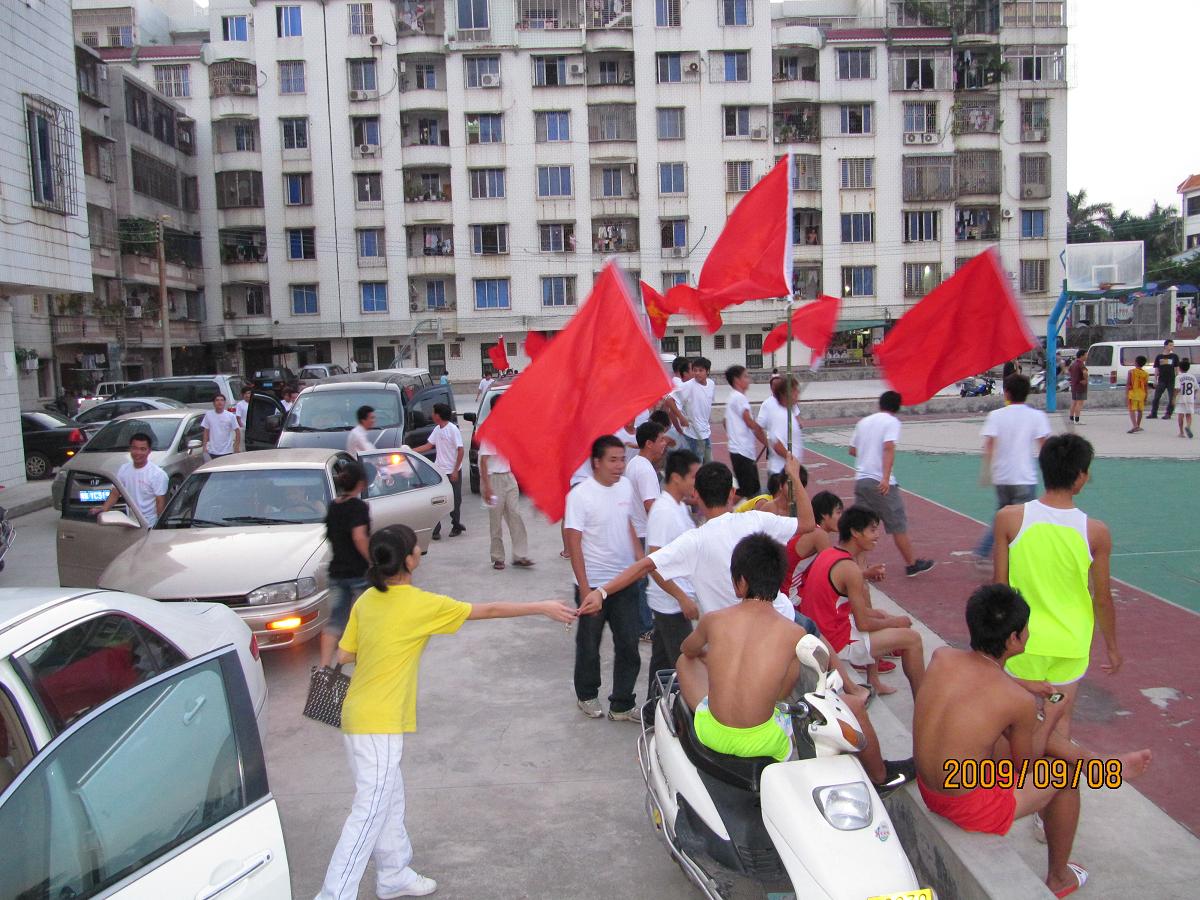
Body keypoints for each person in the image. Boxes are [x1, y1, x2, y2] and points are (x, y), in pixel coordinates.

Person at [588, 462, 910, 791]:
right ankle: (875, 767)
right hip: (783, 628)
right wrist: (794, 475)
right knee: (828, 685)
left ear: (697, 495)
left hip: (727, 652)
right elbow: (808, 523)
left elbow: (646, 565)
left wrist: (601, 592)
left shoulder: (696, 551)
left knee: (688, 659)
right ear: (731, 493)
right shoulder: (755, 523)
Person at [314, 525, 575, 900]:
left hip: (356, 714)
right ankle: (334, 894)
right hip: (379, 723)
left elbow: (345, 654)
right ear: (408, 561)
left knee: (389, 799)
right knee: (370, 809)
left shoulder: (367, 600)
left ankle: (393, 874)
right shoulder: (421, 604)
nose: (419, 552)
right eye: (416, 549)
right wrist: (541, 606)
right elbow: (489, 610)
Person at [914, 585, 1098, 898]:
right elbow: (1026, 769)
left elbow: (981, 677)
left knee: (999, 731)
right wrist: (1051, 715)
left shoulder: (942, 657)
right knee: (1064, 772)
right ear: (1014, 639)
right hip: (966, 806)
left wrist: (1023, 684)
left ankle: (1098, 761)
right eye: (1026, 629)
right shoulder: (1016, 700)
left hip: (929, 787)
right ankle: (1059, 877)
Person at [993, 434, 1119, 744]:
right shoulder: (1096, 532)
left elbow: (999, 586)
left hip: (1021, 639)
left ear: (1044, 469)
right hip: (1070, 642)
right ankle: (1056, 774)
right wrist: (1112, 647)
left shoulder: (1009, 519)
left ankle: (1015, 773)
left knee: (1013, 722)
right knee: (1060, 720)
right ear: (1081, 476)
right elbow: (1102, 598)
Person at [675, 534, 813, 762]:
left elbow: (687, 649)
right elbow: (782, 693)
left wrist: (710, 656)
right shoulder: (795, 633)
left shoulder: (714, 619)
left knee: (684, 661)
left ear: (741, 582)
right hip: (765, 743)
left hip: (713, 736)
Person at [799, 506, 925, 698]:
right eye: (872, 530)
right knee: (912, 639)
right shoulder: (850, 569)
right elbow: (863, 624)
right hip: (835, 642)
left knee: (881, 615)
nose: (877, 536)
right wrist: (896, 621)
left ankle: (874, 681)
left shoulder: (829, 553)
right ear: (855, 532)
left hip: (822, 631)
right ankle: (923, 701)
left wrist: (886, 618)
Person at [566, 435, 644, 722]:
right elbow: (573, 543)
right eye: (613, 460)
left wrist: (640, 560)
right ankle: (587, 695)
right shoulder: (580, 496)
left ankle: (621, 704)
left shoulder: (625, 486)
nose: (619, 465)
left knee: (628, 645)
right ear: (596, 462)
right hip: (593, 584)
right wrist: (586, 589)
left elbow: (627, 523)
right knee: (589, 645)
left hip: (624, 582)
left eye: (622, 459)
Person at [849, 391, 934, 577]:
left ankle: (858, 567)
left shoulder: (863, 422)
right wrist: (886, 478)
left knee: (860, 525)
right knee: (897, 524)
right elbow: (888, 448)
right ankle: (911, 564)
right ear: (897, 407)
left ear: (880, 404)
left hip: (861, 480)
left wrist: (868, 455)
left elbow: (852, 450)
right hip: (879, 481)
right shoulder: (891, 422)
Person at [974, 374, 1051, 564]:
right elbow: (1044, 446)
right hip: (1024, 476)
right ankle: (1022, 557)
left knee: (1002, 516)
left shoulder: (996, 415)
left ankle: (984, 551)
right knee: (1025, 519)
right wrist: (1050, 472)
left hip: (1002, 477)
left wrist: (986, 471)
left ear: (1006, 393)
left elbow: (989, 444)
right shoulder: (1036, 416)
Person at [644, 449, 702, 700]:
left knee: (662, 661)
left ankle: (652, 707)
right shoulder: (664, 511)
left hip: (673, 601)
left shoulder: (678, 506)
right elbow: (654, 563)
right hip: (670, 604)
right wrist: (682, 597)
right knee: (686, 665)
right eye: (693, 476)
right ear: (677, 477)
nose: (696, 482)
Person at [320, 461, 371, 669]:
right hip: (358, 572)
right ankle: (365, 661)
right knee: (366, 618)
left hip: (336, 572)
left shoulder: (333, 506)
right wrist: (372, 561)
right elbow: (359, 537)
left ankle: (324, 667)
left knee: (335, 621)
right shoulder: (359, 507)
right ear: (360, 483)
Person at [478, 395, 533, 570]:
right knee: (496, 520)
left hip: (509, 477)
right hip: (493, 479)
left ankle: (520, 555)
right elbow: (483, 461)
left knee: (515, 515)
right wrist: (487, 487)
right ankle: (498, 557)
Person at [627, 421, 670, 641]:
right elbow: (650, 504)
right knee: (644, 581)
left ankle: (641, 623)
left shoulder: (636, 463)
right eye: (661, 440)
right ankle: (645, 627)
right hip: (644, 532)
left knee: (641, 580)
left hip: (637, 530)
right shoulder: (644, 469)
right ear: (649, 443)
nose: (664, 444)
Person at [91, 431, 169, 526]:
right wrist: (104, 509)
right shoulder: (124, 469)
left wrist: (159, 526)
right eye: (134, 448)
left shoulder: (158, 474)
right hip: (130, 522)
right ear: (130, 449)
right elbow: (115, 493)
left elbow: (160, 502)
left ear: (149, 451)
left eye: (143, 449)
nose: (138, 453)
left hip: (149, 524)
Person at [413, 404, 464, 539]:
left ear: (438, 415)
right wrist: (410, 451)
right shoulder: (437, 429)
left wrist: (455, 470)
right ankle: (436, 530)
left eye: (433, 412)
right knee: (436, 500)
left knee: (455, 500)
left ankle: (456, 525)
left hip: (452, 471)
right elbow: (428, 445)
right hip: (439, 471)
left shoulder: (452, 429)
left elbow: (460, 450)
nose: (432, 415)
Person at [724, 365, 768, 498]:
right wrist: (767, 442)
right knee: (748, 491)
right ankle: (723, 507)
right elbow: (749, 422)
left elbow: (725, 422)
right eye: (745, 376)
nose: (748, 379)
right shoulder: (739, 398)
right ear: (736, 380)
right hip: (743, 452)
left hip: (739, 450)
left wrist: (734, 436)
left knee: (750, 489)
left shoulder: (732, 397)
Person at [756, 374, 803, 475]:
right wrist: (791, 459)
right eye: (794, 390)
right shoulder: (780, 415)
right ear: (785, 394)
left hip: (788, 469)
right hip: (782, 471)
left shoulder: (789, 411)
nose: (798, 393)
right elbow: (776, 443)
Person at [678, 357, 716, 463]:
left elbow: (707, 404)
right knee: (696, 466)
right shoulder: (688, 386)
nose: (697, 373)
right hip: (693, 435)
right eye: (695, 370)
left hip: (706, 433)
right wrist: (681, 418)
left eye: (700, 370)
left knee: (709, 464)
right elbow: (669, 399)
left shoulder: (711, 384)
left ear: (707, 371)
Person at [201, 393, 240, 459]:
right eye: (217, 400)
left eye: (222, 400)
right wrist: (204, 446)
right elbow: (206, 431)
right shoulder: (208, 415)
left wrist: (236, 446)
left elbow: (237, 431)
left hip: (227, 450)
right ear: (213, 403)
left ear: (224, 403)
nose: (220, 402)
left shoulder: (231, 416)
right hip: (212, 450)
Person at [1149, 339, 1180, 420]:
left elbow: (1177, 369)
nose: (1172, 347)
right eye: (1170, 345)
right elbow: (1156, 369)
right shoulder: (1159, 357)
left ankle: (1168, 414)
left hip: (1171, 380)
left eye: (1172, 345)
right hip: (1162, 380)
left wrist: (1178, 380)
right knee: (1156, 397)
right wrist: (1155, 379)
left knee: (1171, 398)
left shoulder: (1174, 356)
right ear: (1165, 346)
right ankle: (1153, 413)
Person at [1126, 355, 1149, 434]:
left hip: (1133, 393)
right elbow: (1146, 386)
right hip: (1142, 393)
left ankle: (1135, 425)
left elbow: (1128, 383)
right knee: (1140, 410)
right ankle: (1138, 425)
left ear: (1135, 362)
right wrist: (1146, 395)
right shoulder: (1145, 374)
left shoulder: (1131, 372)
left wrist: (1126, 394)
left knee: (1132, 410)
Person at [1176, 358, 1196, 438]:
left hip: (1181, 398)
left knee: (1180, 414)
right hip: (1190, 398)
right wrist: (1194, 395)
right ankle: (1188, 426)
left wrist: (1173, 397)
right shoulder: (1192, 377)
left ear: (1180, 368)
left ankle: (1181, 432)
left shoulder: (1178, 377)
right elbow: (1196, 388)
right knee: (1188, 414)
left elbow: (1177, 389)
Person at [1066, 350, 1087, 425]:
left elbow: (1068, 371)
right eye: (1086, 355)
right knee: (1079, 403)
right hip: (1080, 386)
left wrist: (1074, 378)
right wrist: (1085, 379)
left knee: (1074, 402)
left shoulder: (1073, 363)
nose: (1086, 356)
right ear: (1081, 356)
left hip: (1074, 386)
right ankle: (1077, 420)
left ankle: (1071, 419)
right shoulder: (1081, 364)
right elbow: (1085, 372)